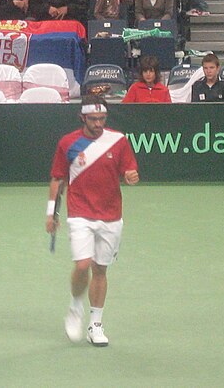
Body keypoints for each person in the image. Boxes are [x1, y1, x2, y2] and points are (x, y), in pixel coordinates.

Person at [46, 95, 139, 347]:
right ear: (82, 118)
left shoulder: (118, 141)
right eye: (93, 119)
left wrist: (131, 176)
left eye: (102, 118)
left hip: (111, 215)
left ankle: (95, 324)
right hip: (80, 213)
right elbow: (57, 179)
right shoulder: (68, 143)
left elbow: (129, 170)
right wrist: (51, 213)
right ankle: (76, 306)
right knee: (82, 264)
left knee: (100, 269)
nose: (98, 123)